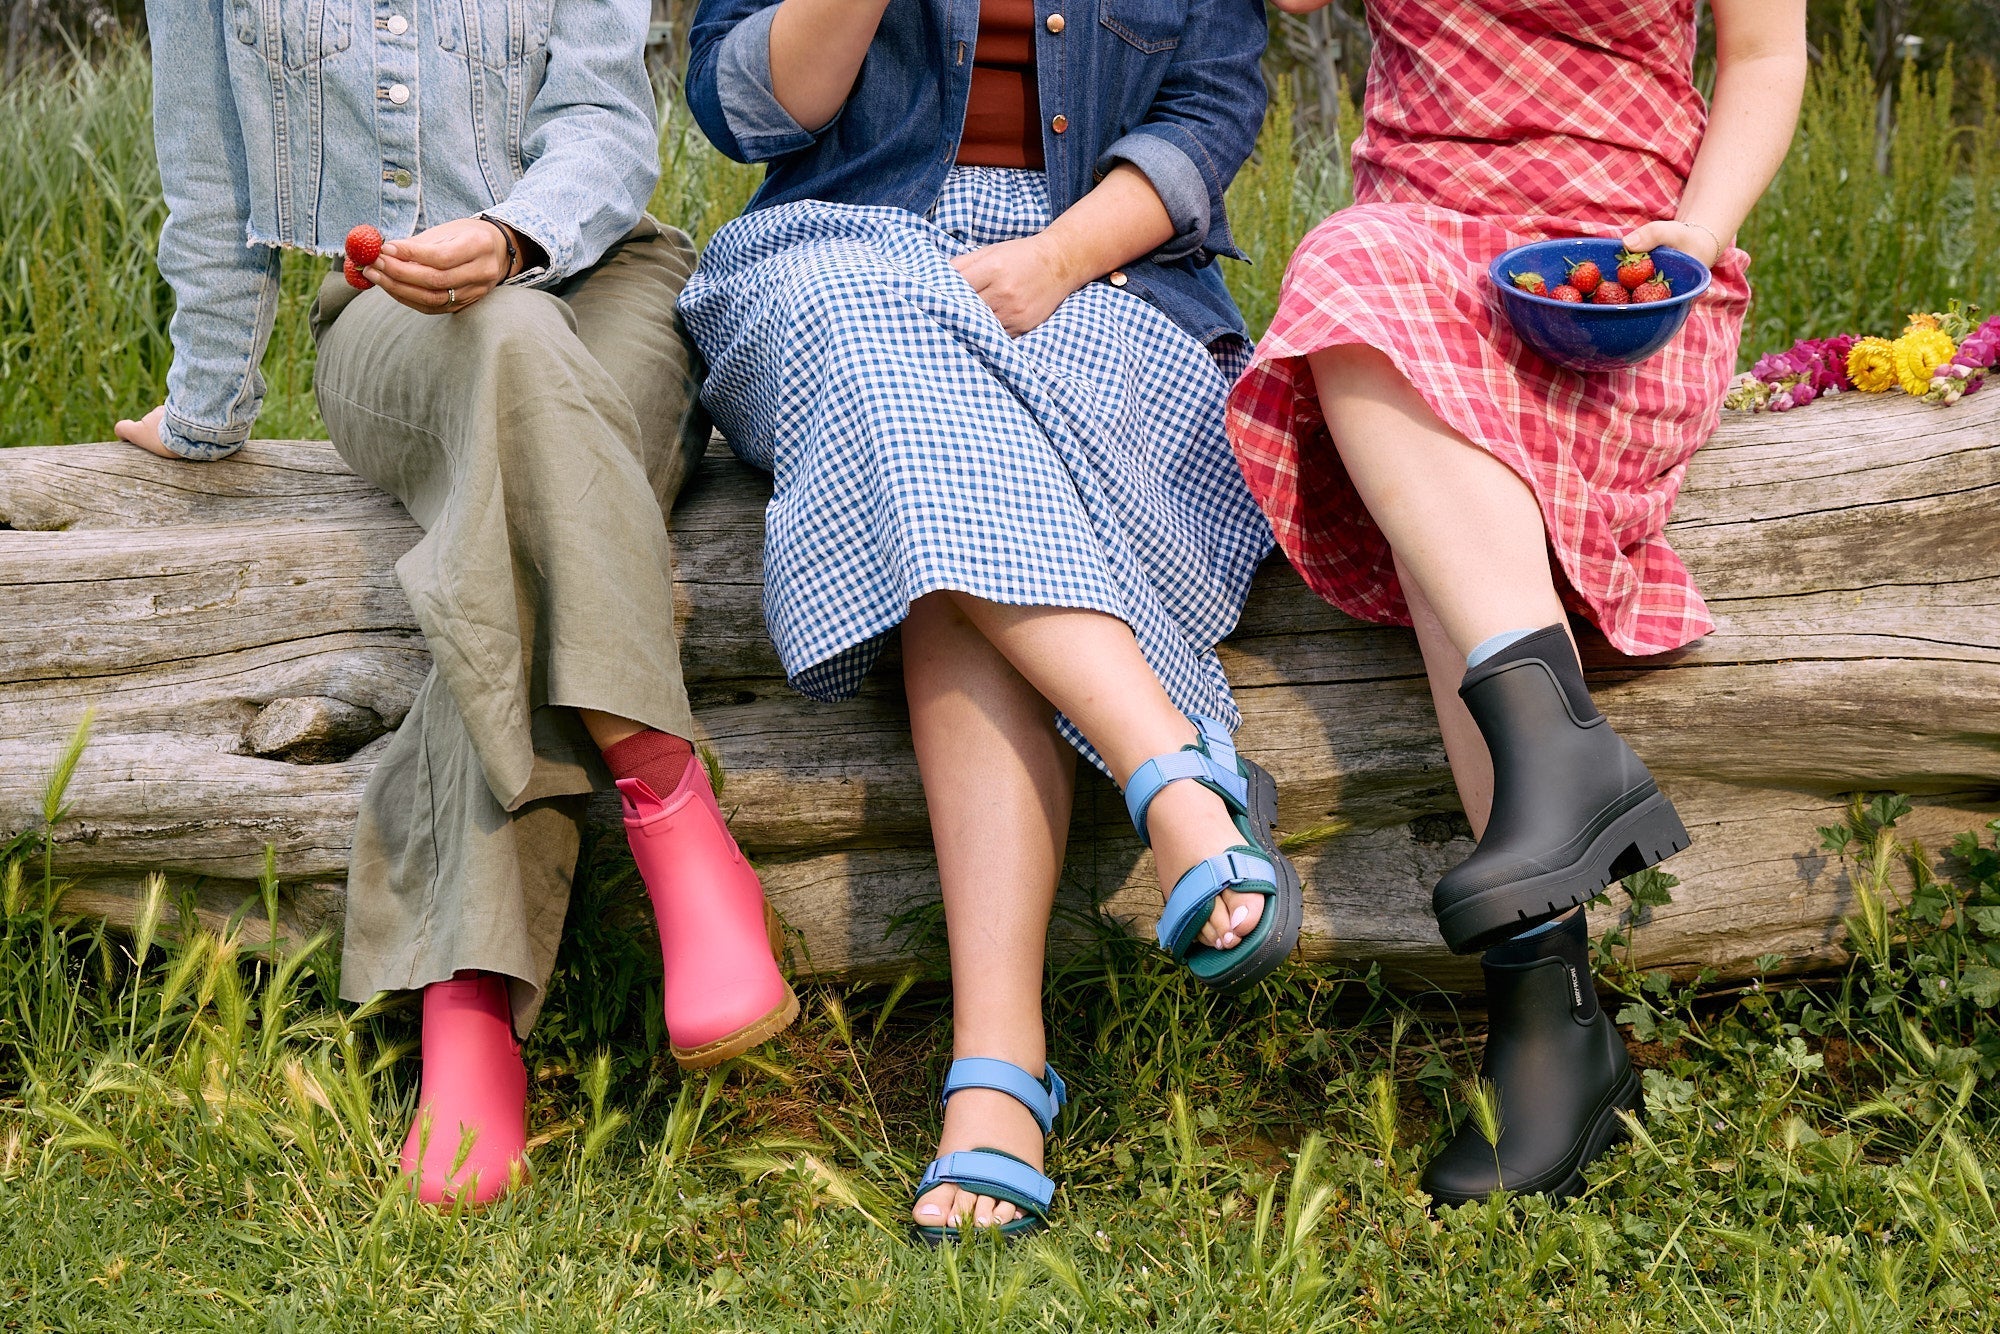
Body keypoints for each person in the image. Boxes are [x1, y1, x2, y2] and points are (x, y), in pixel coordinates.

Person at [122, 0, 797, 1207]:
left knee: (512, 484)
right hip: (388, 326)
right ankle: (667, 794)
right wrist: (207, 409)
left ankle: (468, 994)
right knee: (508, 349)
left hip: (611, 286)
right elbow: (209, 176)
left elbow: (604, 120)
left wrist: (510, 232)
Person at [682, 0, 1288, 1241]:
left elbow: (1211, 113)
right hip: (839, 256)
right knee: (884, 343)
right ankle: (1173, 774)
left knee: (942, 497)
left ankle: (999, 1068)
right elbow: (741, 108)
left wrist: (1056, 261)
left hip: (1109, 286)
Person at [1229, 0, 1807, 1205]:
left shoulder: (1654, 253)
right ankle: (1556, 805)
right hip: (1414, 255)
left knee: (1457, 505)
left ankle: (1548, 1022)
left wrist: (1691, 238)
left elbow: (1763, 55)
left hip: (1627, 270)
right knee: (1353, 275)